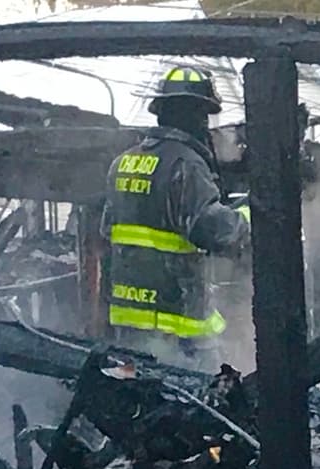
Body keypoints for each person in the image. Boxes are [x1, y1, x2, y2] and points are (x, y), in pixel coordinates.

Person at [102, 65, 250, 369]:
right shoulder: (187, 163)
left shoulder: (123, 162)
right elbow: (209, 229)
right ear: (197, 116)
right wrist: (248, 217)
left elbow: (107, 229)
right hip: (178, 324)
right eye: (204, 115)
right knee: (198, 404)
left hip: (128, 318)